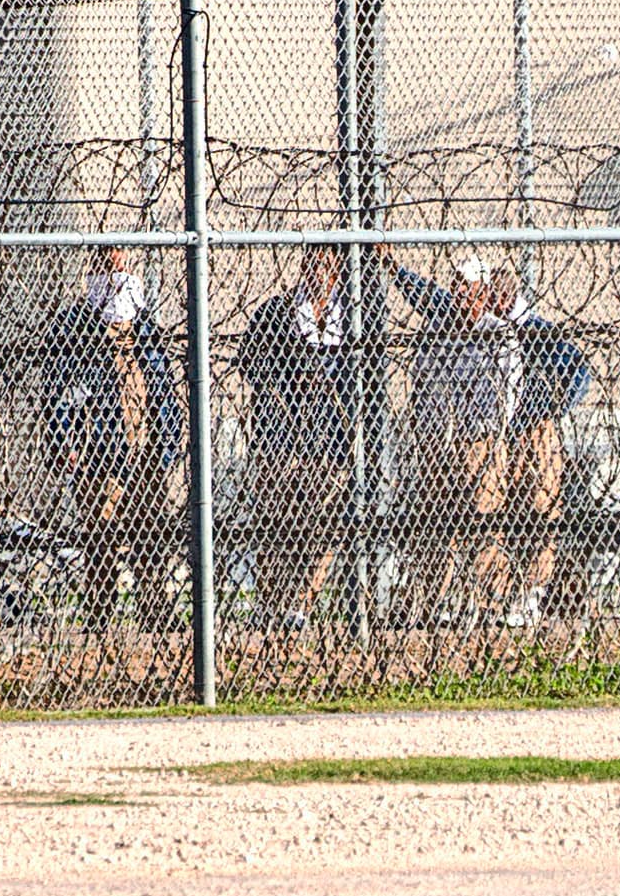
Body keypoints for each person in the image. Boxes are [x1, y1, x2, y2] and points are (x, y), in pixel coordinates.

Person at [382, 248, 588, 628]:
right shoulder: (451, 322)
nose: (486, 302)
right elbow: (428, 295)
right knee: (447, 518)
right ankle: (443, 599)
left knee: (529, 513)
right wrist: (394, 267)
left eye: (492, 296)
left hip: (522, 430)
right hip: (461, 435)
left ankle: (522, 595)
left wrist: (549, 410)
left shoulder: (526, 331)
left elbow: (572, 373)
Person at [50, 245, 186, 629]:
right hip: (99, 444)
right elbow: (60, 389)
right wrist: (66, 441)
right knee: (101, 531)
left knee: (149, 530)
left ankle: (154, 608)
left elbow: (163, 387)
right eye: (109, 269)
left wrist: (170, 440)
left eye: (123, 267)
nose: (118, 277)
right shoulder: (75, 327)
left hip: (145, 444)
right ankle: (99, 610)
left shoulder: (144, 328)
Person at [236, 248, 354, 626]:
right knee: (276, 520)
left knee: (323, 523)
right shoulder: (278, 311)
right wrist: (288, 376)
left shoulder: (350, 314)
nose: (318, 273)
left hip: (330, 436)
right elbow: (247, 362)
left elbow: (363, 372)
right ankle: (271, 602)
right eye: (312, 265)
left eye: (326, 267)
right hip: (280, 435)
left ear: (336, 273)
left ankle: (302, 602)